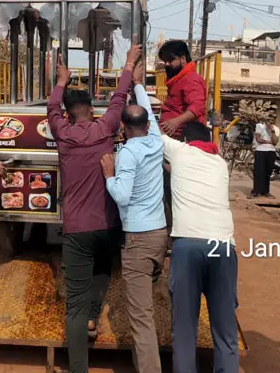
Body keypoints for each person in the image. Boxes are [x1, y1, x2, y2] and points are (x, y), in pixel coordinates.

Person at [48, 44, 141, 373]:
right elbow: (118, 98)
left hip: (76, 229)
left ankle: (78, 367)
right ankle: (92, 315)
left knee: (72, 304)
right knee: (103, 270)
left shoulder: (62, 134)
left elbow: (51, 110)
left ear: (69, 113)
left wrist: (61, 80)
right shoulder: (105, 129)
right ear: (91, 108)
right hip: (109, 225)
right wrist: (129, 63)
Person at [158, 117, 238, 373]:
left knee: (184, 330)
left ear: (185, 141)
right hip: (223, 247)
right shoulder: (220, 163)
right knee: (225, 330)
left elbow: (148, 122)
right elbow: (186, 172)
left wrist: (137, 84)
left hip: (188, 247)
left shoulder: (181, 152)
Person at [100, 62, 166, 373]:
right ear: (148, 126)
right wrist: (138, 85)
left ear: (122, 129)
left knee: (141, 317)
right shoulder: (156, 141)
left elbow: (122, 196)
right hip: (159, 233)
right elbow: (150, 114)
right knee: (147, 301)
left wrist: (109, 175)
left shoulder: (127, 153)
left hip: (138, 240)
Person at [156, 40, 206, 139]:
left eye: (170, 60)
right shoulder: (178, 79)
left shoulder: (191, 79)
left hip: (182, 139)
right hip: (170, 136)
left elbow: (197, 106)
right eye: (165, 61)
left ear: (183, 58)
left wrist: (176, 121)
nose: (167, 64)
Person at [249, 116, 278, 199]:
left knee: (267, 172)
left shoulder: (276, 129)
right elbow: (258, 139)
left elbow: (275, 142)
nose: (270, 121)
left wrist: (272, 130)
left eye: (272, 120)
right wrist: (268, 141)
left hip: (271, 151)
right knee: (258, 172)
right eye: (269, 120)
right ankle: (256, 191)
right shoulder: (259, 126)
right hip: (260, 151)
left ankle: (265, 191)